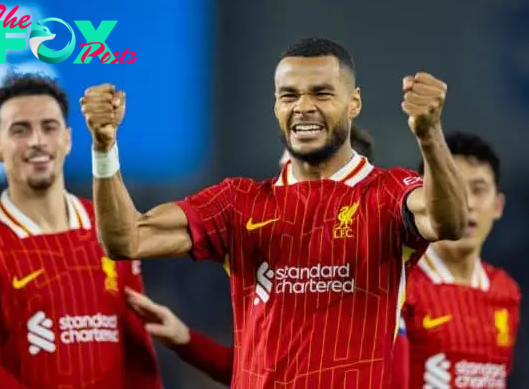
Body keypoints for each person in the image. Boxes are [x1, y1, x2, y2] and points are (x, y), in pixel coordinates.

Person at [81, 37, 468, 388]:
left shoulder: (387, 193)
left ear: (354, 103)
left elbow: (448, 221)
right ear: (275, 104)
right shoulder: (238, 202)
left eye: (321, 93)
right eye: (289, 95)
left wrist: (429, 134)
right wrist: (103, 147)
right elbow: (125, 238)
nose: (303, 107)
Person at [126, 126, 376, 386]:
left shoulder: (381, 257)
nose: (284, 175)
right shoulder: (276, 244)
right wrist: (185, 339)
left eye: (294, 164)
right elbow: (258, 371)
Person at [0, 73, 162, 388]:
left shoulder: (110, 228)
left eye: (49, 127)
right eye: (20, 130)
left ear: (68, 139)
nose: (37, 141)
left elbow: (139, 357)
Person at [391, 131, 521, 389]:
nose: (467, 204)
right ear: (427, 200)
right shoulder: (398, 284)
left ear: (498, 206)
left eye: (479, 190)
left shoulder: (507, 292)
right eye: (452, 189)